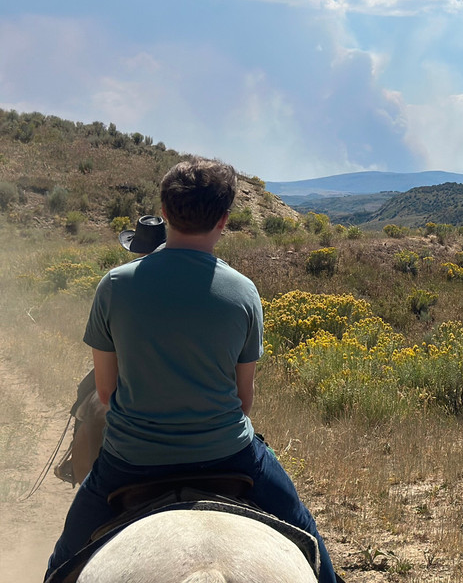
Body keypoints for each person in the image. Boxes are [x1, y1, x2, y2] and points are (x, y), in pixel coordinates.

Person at [45, 158, 338, 583]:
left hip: (130, 459)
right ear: (224, 219)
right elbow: (244, 400)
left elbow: (106, 393)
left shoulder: (115, 285)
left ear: (163, 214)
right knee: (307, 536)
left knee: (61, 564)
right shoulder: (243, 291)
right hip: (228, 453)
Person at [53, 215, 169, 487]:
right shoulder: (179, 278)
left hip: (126, 362)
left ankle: (74, 461)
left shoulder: (121, 281)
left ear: (137, 248)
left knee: (86, 392)